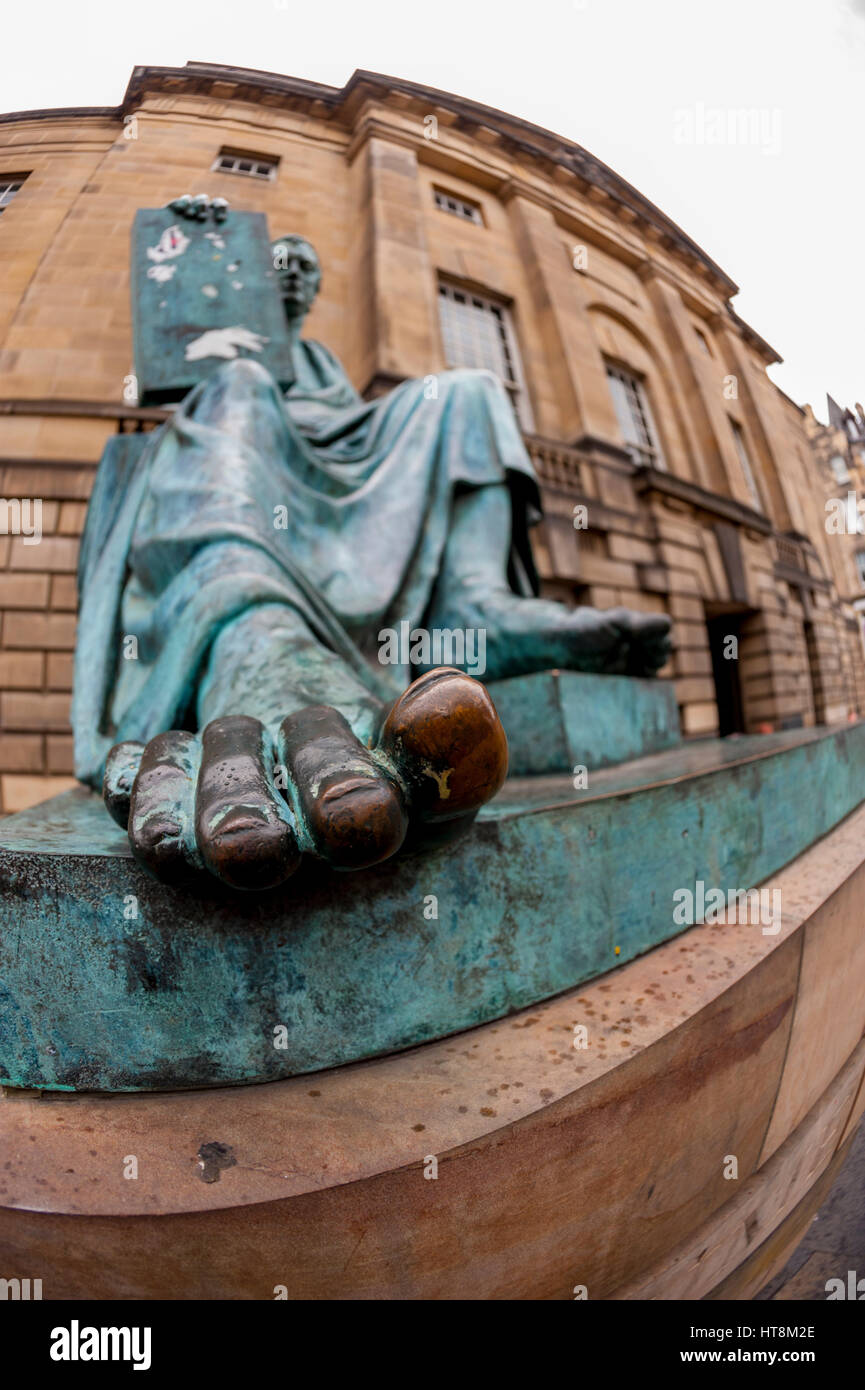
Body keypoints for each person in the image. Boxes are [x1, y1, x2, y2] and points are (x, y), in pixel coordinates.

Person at [72, 213, 671, 892]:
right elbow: (186, 372)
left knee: (466, 389)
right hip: (248, 446)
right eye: (279, 260)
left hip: (335, 450)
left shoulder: (323, 361)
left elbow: (347, 424)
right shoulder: (234, 357)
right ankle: (261, 648)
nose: (294, 269)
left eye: (306, 263)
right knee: (240, 386)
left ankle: (476, 603)